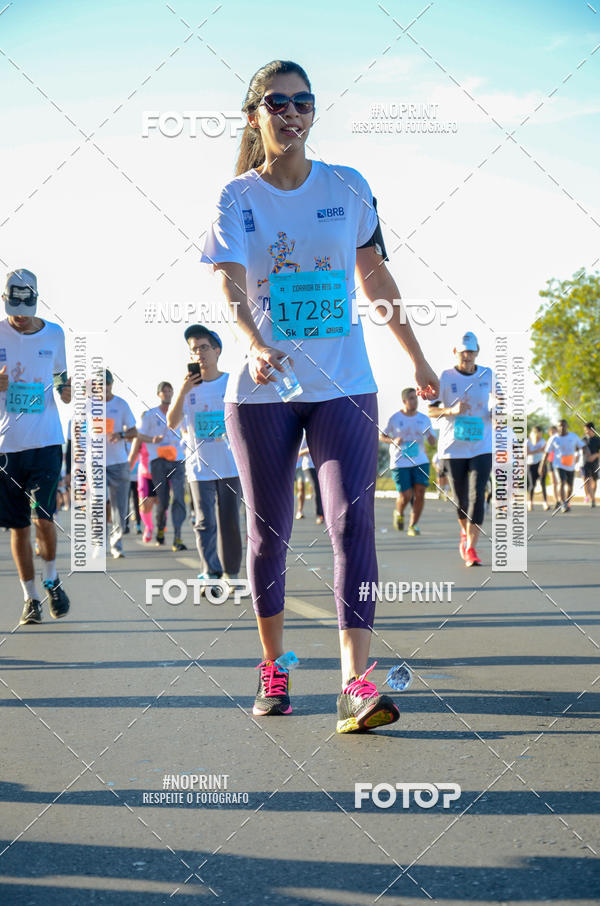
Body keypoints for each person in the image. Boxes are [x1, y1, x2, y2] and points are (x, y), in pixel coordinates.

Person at [200, 59, 439, 733]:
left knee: (350, 523)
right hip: (263, 389)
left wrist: (416, 355)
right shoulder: (237, 196)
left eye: (303, 101)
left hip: (345, 384)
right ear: (255, 114)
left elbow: (375, 276)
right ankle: (274, 668)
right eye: (277, 101)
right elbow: (229, 282)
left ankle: (355, 685)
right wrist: (251, 339)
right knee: (269, 533)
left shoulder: (348, 186)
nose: (292, 111)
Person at [0, 268, 71, 623]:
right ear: (5, 301)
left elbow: (60, 373)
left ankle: (52, 578)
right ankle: (31, 599)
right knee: (19, 527)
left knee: (42, 518)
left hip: (46, 440)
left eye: (27, 313)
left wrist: (66, 390)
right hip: (7, 446)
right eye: (15, 311)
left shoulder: (55, 334)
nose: (21, 320)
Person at [167, 324, 243, 588]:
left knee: (229, 522)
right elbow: (172, 423)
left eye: (204, 348)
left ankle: (230, 574)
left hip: (231, 465)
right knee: (204, 521)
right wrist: (182, 392)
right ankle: (210, 570)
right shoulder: (187, 389)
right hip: (199, 468)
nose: (199, 354)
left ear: (217, 350)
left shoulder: (231, 382)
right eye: (194, 350)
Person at [428, 331, 493, 567]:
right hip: (453, 448)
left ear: (477, 352)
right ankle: (464, 533)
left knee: (478, 496)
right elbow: (431, 411)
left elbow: (501, 401)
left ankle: (471, 548)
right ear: (455, 352)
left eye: (471, 351)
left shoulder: (488, 374)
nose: (467, 355)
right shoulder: (445, 377)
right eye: (463, 351)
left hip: (482, 445)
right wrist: (451, 411)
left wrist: (498, 412)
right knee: (461, 500)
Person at [134, 382, 187, 550]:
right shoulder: (150, 415)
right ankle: (160, 529)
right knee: (162, 501)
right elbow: (139, 435)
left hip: (177, 461)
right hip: (158, 462)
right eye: (164, 391)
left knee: (179, 497)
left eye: (170, 390)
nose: (167, 393)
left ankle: (177, 537)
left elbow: (187, 432)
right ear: (159, 394)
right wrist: (152, 440)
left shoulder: (180, 413)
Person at [380, 387, 436, 536]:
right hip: (400, 461)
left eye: (415, 398)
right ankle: (399, 512)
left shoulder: (423, 419)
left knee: (420, 492)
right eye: (411, 398)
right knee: (406, 495)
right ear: (404, 401)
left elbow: (432, 440)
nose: (414, 401)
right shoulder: (395, 418)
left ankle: (413, 525)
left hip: (420, 459)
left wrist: (430, 437)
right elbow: (381, 436)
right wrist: (393, 440)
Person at [104, 369, 137, 558]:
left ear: (111, 385)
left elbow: (134, 432)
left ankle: (116, 544)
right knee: (96, 504)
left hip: (119, 463)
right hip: (95, 464)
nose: (103, 388)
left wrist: (121, 435)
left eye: (106, 384)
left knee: (120, 507)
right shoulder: (89, 405)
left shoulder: (121, 405)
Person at [540, 418, 584, 513]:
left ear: (567, 426)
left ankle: (566, 501)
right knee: (561, 482)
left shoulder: (573, 436)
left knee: (570, 487)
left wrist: (587, 452)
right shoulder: (553, 438)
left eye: (563, 425)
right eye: (560, 425)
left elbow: (582, 446)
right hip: (558, 464)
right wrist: (542, 465)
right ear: (558, 427)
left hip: (570, 465)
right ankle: (563, 503)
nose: (562, 427)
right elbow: (546, 453)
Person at [128, 439, 157, 543]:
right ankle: (148, 527)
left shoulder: (163, 432)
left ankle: (161, 527)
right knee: (144, 504)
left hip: (161, 473)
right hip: (144, 474)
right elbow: (133, 456)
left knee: (161, 503)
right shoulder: (140, 437)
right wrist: (125, 473)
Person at [295, 432, 324, 523]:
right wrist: (310, 449)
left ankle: (324, 512)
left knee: (322, 488)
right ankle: (319, 514)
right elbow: (299, 452)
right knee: (316, 487)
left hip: (320, 465)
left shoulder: (322, 434)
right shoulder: (306, 435)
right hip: (308, 466)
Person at [527, 426, 548, 511]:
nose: (539, 434)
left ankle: (545, 503)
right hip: (531, 464)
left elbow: (546, 451)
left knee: (543, 483)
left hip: (541, 463)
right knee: (532, 485)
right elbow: (527, 453)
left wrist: (541, 450)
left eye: (540, 433)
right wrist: (539, 450)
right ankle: (530, 503)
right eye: (536, 432)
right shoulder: (528, 441)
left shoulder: (543, 441)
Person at [582, 422, 599, 508]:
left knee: (594, 481)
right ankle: (590, 497)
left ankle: (592, 496)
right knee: (586, 480)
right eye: (585, 430)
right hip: (585, 463)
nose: (586, 432)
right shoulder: (583, 439)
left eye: (587, 430)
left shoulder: (597, 439)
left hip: (595, 463)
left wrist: (595, 455)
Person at [544, 425, 560, 505]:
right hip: (550, 462)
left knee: (561, 482)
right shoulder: (548, 441)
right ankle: (556, 501)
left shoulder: (560, 440)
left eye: (555, 431)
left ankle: (562, 499)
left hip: (559, 463)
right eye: (552, 432)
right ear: (549, 433)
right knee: (554, 483)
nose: (553, 433)